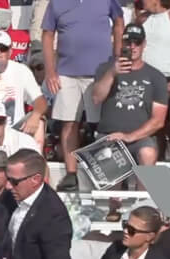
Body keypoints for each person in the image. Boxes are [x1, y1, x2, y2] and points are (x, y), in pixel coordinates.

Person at [42, 0, 124, 191]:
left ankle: (106, 173)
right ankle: (72, 174)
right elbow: (47, 35)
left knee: (101, 125)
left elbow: (119, 21)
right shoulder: (56, 3)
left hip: (100, 73)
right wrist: (50, 71)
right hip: (65, 72)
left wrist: (117, 56)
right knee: (69, 123)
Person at [92, 23, 168, 167]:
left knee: (148, 152)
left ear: (144, 44)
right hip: (109, 136)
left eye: (137, 42)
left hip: (140, 138)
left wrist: (129, 137)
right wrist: (112, 73)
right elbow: (96, 98)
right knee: (110, 162)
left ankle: (145, 190)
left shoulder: (156, 76)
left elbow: (158, 121)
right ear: (122, 43)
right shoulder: (105, 69)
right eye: (128, 42)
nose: (132, 46)